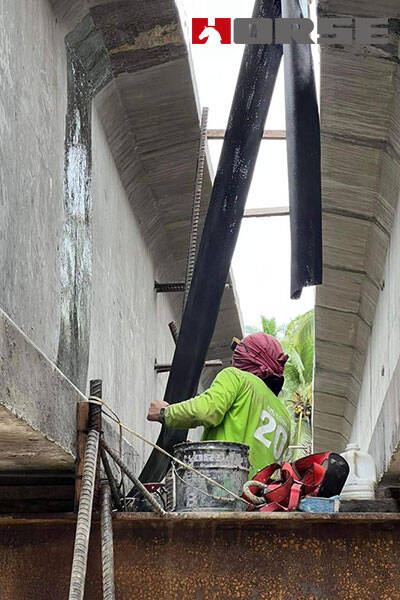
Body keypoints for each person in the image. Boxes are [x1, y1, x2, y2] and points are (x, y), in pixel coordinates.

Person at [147, 332, 291, 477]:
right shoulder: (285, 417)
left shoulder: (237, 377)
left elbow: (206, 410)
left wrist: (165, 412)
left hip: (222, 489)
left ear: (249, 357)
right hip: (258, 497)